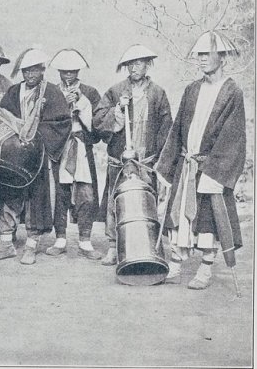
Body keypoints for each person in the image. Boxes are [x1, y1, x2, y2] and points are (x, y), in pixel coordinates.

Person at [155, 32, 245, 290]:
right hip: (186, 164)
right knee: (179, 215)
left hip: (210, 167)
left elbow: (233, 136)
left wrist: (216, 170)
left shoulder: (232, 92)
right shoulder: (192, 89)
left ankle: (206, 268)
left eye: (208, 54)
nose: (202, 59)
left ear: (222, 58)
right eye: (200, 54)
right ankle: (175, 264)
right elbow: (177, 129)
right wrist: (168, 165)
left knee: (208, 218)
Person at [0, 48, 71, 264]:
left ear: (42, 70)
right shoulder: (14, 92)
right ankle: (5, 243)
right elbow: (2, 118)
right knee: (8, 195)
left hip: (39, 157)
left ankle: (31, 246)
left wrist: (34, 135)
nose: (30, 75)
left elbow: (61, 123)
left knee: (36, 200)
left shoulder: (52, 93)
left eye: (34, 70)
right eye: (26, 71)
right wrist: (14, 135)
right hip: (14, 156)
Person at [93, 44, 172, 266]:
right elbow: (98, 121)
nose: (134, 68)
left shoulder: (158, 94)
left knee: (146, 202)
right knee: (115, 202)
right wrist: (117, 109)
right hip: (120, 160)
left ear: (147, 65)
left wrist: (160, 159)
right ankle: (113, 247)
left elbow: (166, 127)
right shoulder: (116, 91)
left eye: (138, 63)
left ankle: (150, 248)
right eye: (130, 64)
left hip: (146, 161)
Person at [46, 48, 103, 260]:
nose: (68, 75)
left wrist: (80, 103)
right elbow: (46, 120)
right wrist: (62, 104)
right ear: (59, 72)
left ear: (78, 71)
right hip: (59, 147)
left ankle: (85, 241)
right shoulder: (51, 92)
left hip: (81, 147)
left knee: (86, 193)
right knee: (60, 193)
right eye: (64, 71)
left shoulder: (91, 93)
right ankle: (60, 239)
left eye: (72, 71)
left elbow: (97, 126)